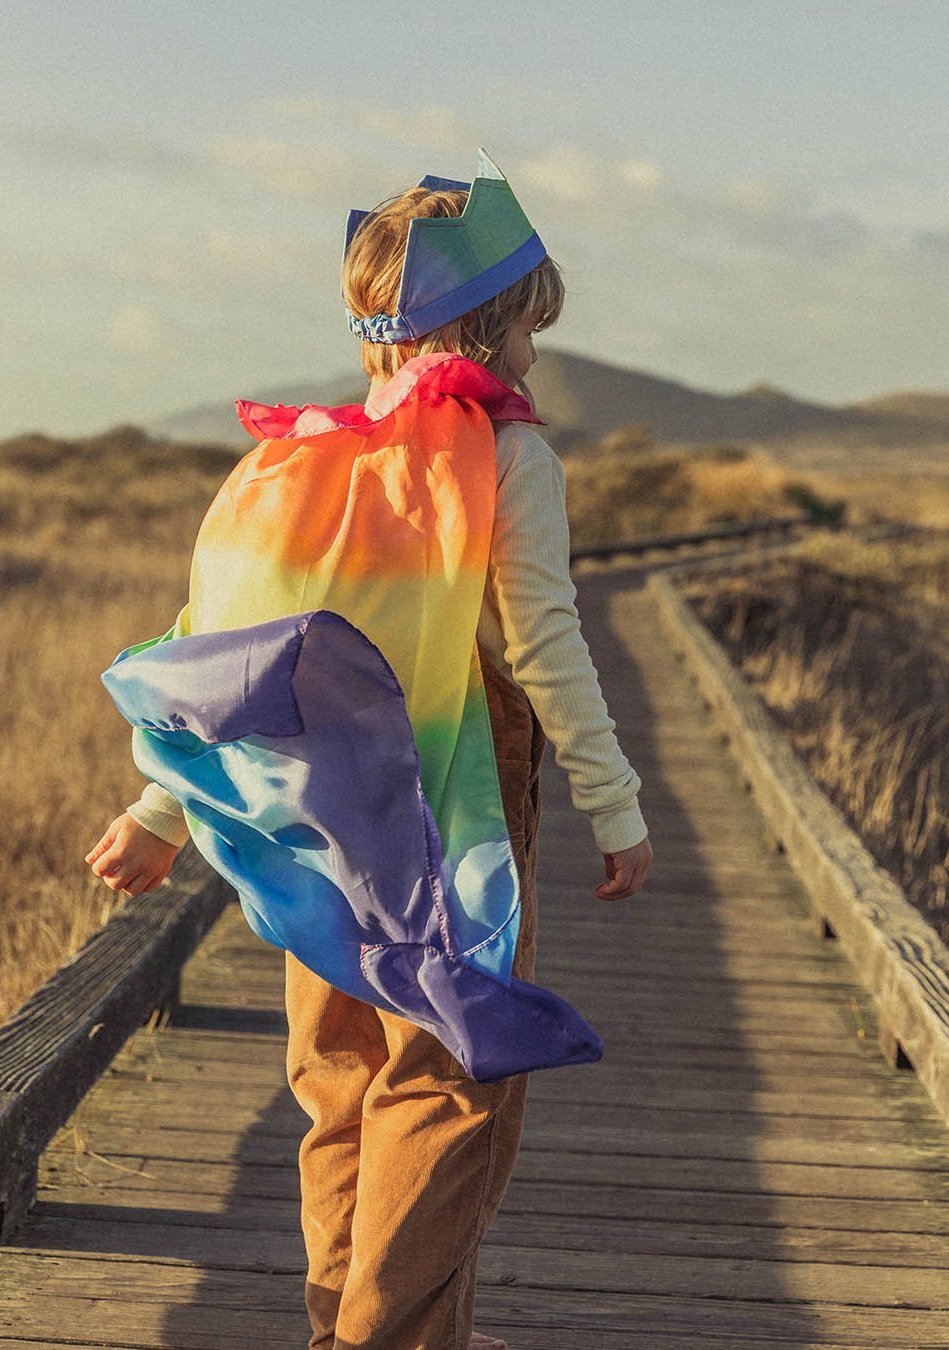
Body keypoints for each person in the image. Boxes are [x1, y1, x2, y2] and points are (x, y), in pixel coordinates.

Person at [86, 150, 652, 1350]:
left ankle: (343, 1329)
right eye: (530, 331)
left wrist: (159, 811)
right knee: (448, 1084)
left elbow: (222, 654)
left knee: (339, 1077)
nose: (538, 359)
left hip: (319, 817)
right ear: (489, 329)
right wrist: (617, 801)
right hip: (456, 816)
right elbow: (546, 646)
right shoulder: (508, 459)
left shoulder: (292, 463)